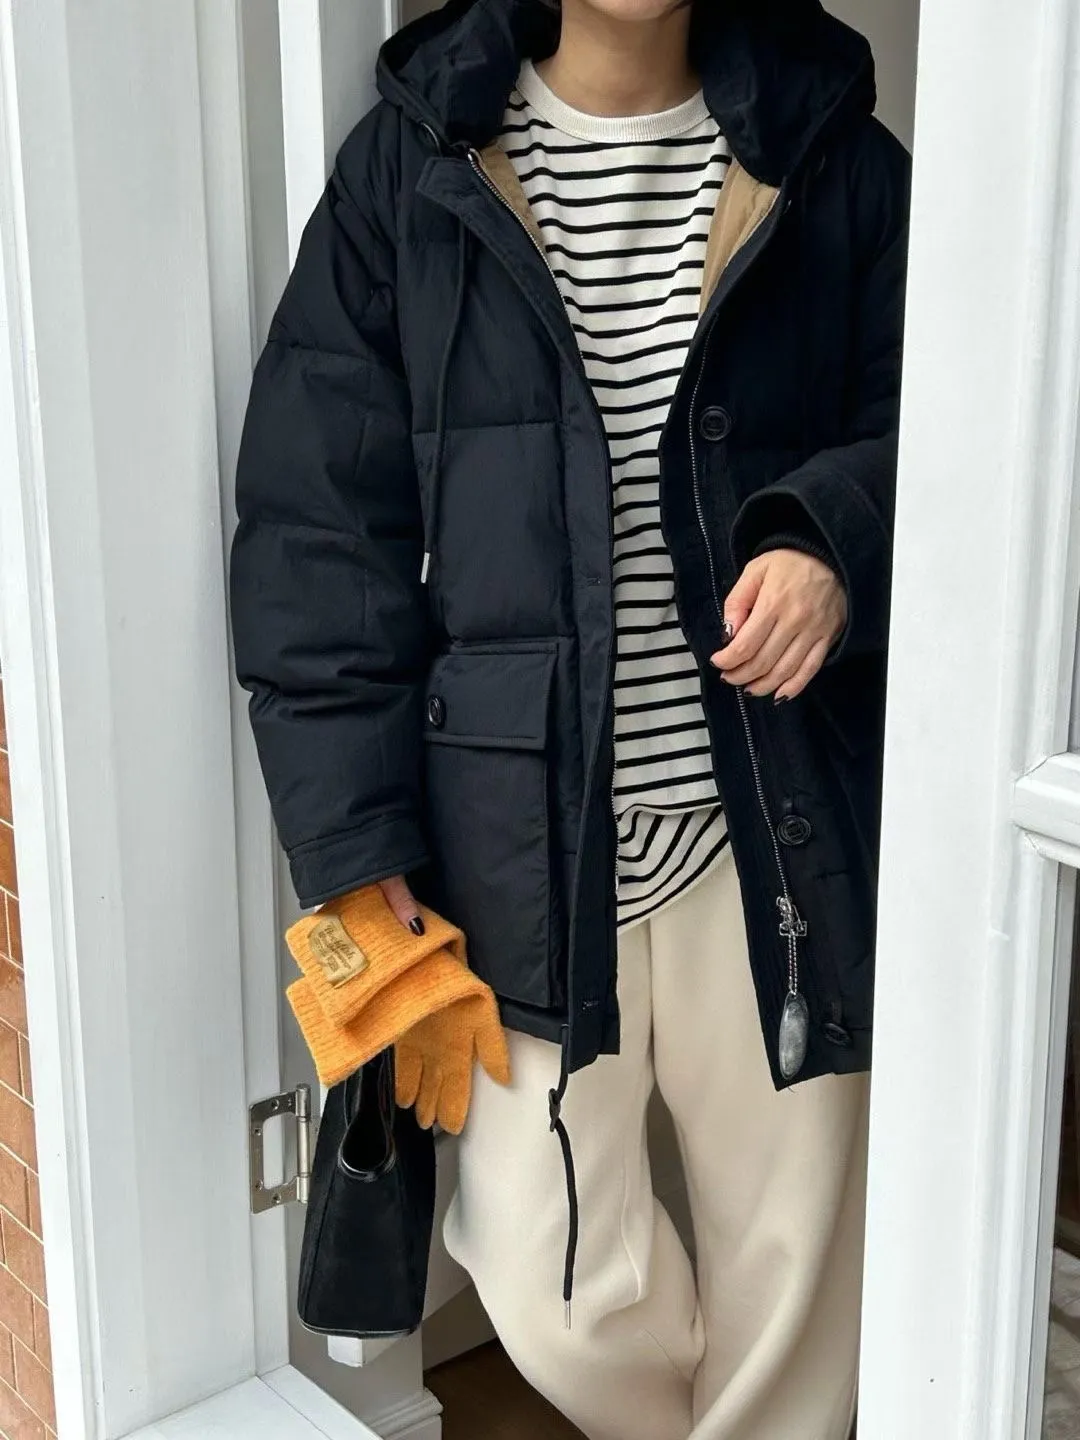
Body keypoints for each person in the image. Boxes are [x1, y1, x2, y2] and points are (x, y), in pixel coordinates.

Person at [230, 0, 910, 1435]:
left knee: (798, 1259)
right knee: (543, 1265)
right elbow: (318, 530)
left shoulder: (832, 153)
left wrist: (837, 543)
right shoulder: (411, 166)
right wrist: (356, 844)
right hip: (521, 839)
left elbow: (965, 423)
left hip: (775, 814)